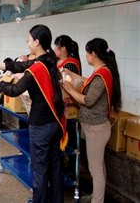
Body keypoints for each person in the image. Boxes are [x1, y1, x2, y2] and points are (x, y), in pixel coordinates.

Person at [0, 24, 68, 203]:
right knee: (54, 169)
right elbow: (20, 65)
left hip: (41, 127)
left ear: (37, 42)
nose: (27, 42)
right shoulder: (47, 60)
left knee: (40, 172)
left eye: (28, 39)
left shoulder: (37, 68)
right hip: (54, 124)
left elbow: (13, 90)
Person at [62, 38, 122, 203]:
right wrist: (73, 75)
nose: (86, 56)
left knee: (95, 169)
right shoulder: (101, 72)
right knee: (98, 167)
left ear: (93, 54)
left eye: (87, 52)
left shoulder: (102, 74)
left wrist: (69, 90)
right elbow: (87, 82)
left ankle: (97, 200)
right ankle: (97, 196)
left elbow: (88, 100)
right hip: (95, 127)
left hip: (96, 128)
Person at [54, 35, 81, 178]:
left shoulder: (71, 64)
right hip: (60, 105)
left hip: (69, 108)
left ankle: (69, 169)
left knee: (68, 139)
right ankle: (61, 166)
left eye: (56, 46)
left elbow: (69, 83)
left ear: (62, 49)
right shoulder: (60, 61)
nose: (54, 49)